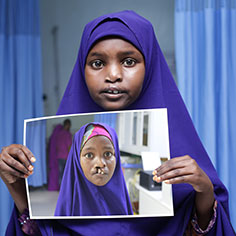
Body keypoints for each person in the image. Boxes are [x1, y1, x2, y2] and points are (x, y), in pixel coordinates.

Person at [0, 10, 235, 235]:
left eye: (129, 61)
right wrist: (16, 187)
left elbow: (200, 228)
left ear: (150, 65)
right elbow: (41, 231)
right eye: (98, 63)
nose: (113, 74)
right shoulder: (67, 193)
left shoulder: (176, 152)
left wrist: (204, 191)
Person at [54, 123, 133, 216]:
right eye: (89, 155)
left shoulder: (122, 202)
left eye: (108, 154)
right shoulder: (68, 207)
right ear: (77, 159)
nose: (100, 164)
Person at [48, 119, 72, 191]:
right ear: (68, 125)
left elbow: (56, 146)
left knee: (60, 173)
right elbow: (69, 146)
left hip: (59, 157)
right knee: (67, 173)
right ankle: (66, 189)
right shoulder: (68, 134)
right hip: (66, 157)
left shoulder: (58, 134)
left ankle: (61, 189)